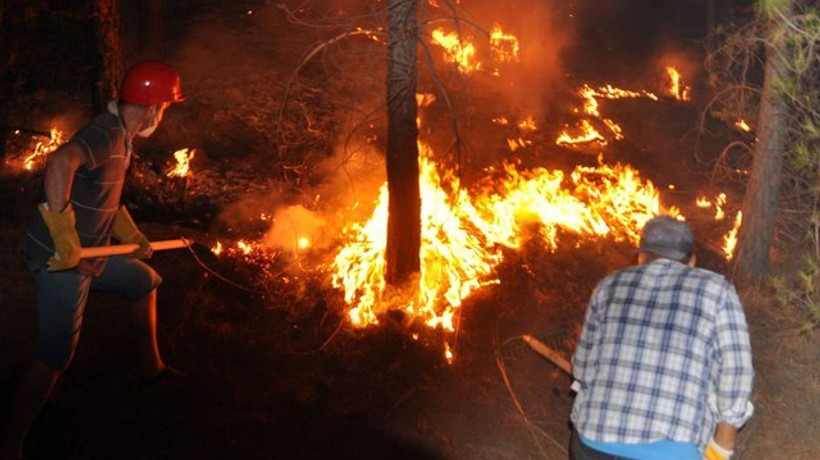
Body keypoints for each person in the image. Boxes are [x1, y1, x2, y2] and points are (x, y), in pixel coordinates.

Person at [0, 60, 185, 460]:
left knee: (143, 281)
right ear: (153, 107)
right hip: (61, 259)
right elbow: (60, 162)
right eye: (166, 106)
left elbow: (106, 198)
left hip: (92, 251)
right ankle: (11, 444)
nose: (165, 114)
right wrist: (64, 235)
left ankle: (150, 368)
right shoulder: (105, 133)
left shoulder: (124, 138)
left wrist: (130, 236)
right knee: (54, 358)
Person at [569, 215, 754, 460]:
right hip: (671, 451)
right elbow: (736, 375)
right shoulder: (717, 292)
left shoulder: (608, 286)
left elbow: (582, 369)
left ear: (640, 256)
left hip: (592, 442)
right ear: (692, 261)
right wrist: (720, 451)